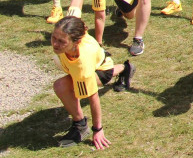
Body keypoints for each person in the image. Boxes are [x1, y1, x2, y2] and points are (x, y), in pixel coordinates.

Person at [50, 16, 134, 150]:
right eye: (53, 37)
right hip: (97, 61)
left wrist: (98, 129)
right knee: (75, 81)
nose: (55, 44)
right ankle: (125, 68)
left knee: (61, 86)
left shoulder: (82, 65)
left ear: (76, 42)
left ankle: (80, 126)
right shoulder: (73, 28)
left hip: (100, 70)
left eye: (61, 41)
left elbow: (93, 97)